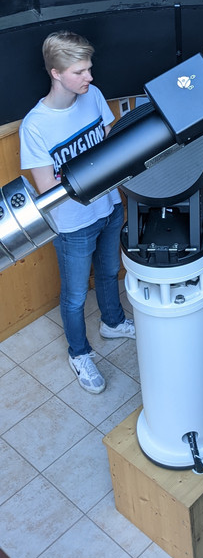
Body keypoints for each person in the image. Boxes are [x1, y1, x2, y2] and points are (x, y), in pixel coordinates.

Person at [19, 31, 135, 394]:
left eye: (89, 69)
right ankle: (79, 353)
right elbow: (48, 190)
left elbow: (110, 146)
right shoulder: (34, 126)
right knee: (73, 296)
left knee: (107, 273)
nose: (89, 78)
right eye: (79, 72)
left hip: (109, 207)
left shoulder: (93, 96)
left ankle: (112, 323)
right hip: (72, 225)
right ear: (56, 73)